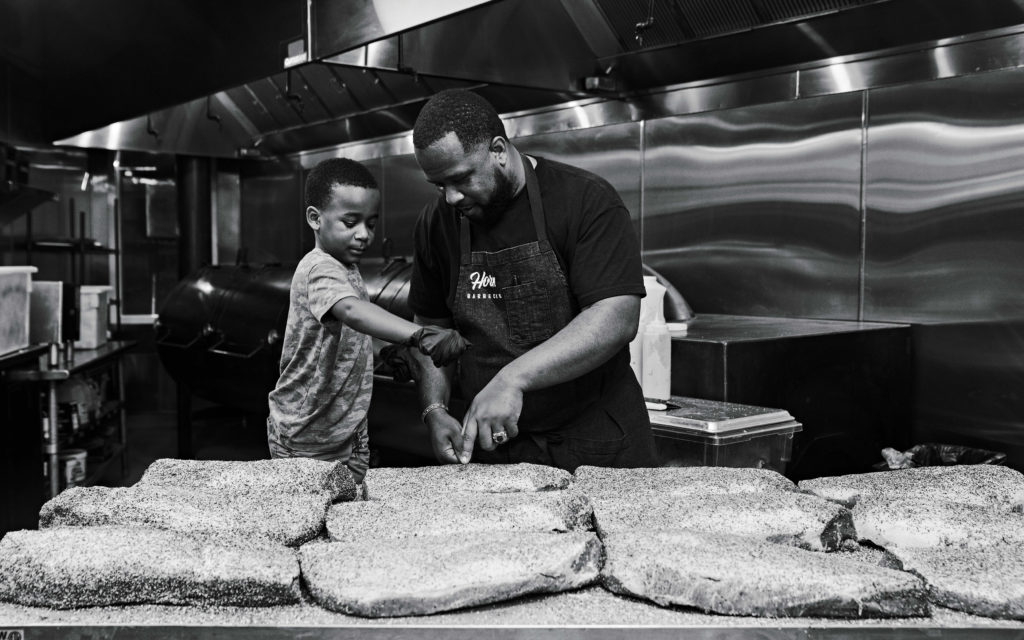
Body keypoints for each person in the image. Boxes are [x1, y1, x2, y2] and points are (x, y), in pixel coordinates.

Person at [408, 89, 655, 471]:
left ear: (499, 150)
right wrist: (434, 408)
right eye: (439, 185)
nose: (452, 197)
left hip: (596, 444)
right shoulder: (436, 223)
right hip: (498, 451)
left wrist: (514, 378)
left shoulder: (585, 200)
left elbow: (616, 316)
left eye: (461, 179)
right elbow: (430, 329)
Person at [267, 157, 469, 484]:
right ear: (315, 219)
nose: (364, 235)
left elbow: (348, 331)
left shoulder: (347, 268)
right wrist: (418, 335)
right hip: (308, 435)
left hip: (348, 429)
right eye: (350, 222)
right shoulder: (319, 267)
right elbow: (352, 312)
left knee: (352, 510)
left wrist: (385, 350)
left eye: (371, 224)